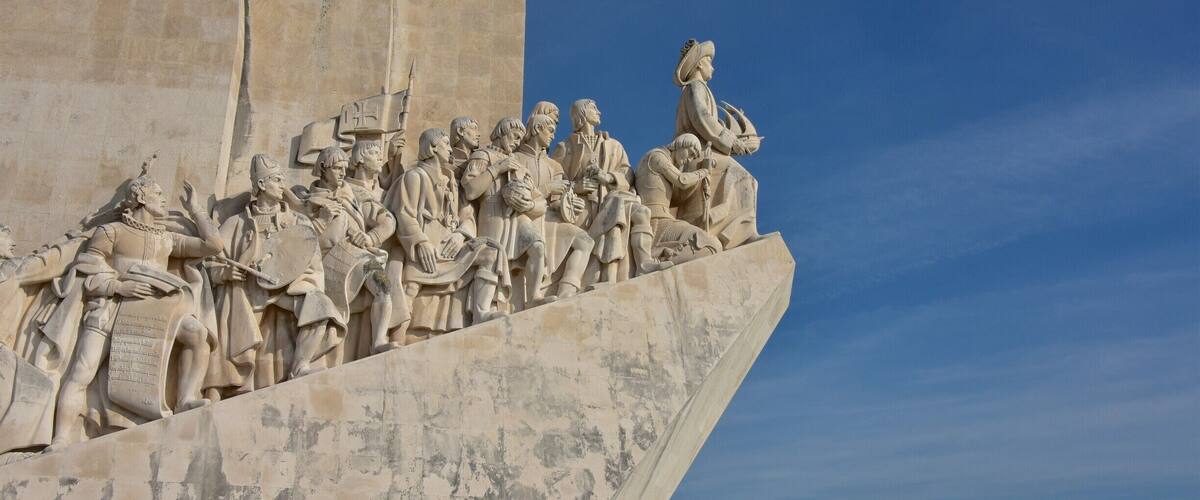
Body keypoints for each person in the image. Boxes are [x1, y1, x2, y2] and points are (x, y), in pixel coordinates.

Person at [50, 176, 222, 449]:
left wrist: (196, 210)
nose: (164, 199)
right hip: (113, 307)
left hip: (154, 311)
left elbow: (214, 245)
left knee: (198, 335)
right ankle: (60, 438)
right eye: (158, 193)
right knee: (83, 370)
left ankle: (186, 398)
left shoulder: (166, 239)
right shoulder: (111, 232)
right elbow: (86, 270)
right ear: (141, 198)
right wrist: (118, 286)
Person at [205, 155, 343, 398]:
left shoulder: (295, 220)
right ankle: (217, 388)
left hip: (285, 288)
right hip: (249, 289)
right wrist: (224, 273)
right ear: (261, 185)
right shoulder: (236, 223)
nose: (283, 186)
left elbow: (310, 255)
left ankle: (300, 365)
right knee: (231, 316)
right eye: (277, 180)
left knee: (320, 306)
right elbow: (210, 260)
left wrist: (299, 280)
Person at [391, 129, 508, 343]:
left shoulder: (451, 181)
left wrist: (461, 234)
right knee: (410, 286)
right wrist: (420, 241)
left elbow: (467, 215)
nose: (450, 149)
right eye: (446, 144)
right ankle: (394, 339)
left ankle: (481, 312)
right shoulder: (415, 176)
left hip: (450, 245)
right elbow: (404, 214)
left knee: (491, 253)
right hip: (426, 245)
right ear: (433, 147)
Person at [551, 99, 671, 284]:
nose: (599, 112)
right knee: (618, 211)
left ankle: (644, 262)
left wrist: (608, 177)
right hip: (583, 210)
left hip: (612, 199)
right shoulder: (565, 147)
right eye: (593, 108)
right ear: (581, 114)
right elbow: (554, 181)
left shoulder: (613, 145)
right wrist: (576, 187)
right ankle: (606, 277)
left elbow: (627, 173)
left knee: (640, 211)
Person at [674, 39, 762, 248]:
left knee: (746, 180)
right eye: (709, 62)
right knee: (744, 178)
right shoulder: (695, 87)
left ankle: (737, 231)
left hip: (708, 152)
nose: (712, 67)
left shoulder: (698, 89)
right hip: (699, 156)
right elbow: (702, 119)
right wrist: (731, 142)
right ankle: (740, 235)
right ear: (699, 65)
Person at [460, 118, 552, 310]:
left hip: (518, 217)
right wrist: (497, 169)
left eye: (520, 138)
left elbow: (541, 201)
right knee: (493, 258)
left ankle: (534, 296)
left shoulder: (519, 165)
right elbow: (470, 190)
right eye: (515, 136)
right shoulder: (482, 156)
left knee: (537, 246)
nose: (518, 142)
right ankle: (483, 309)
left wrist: (529, 204)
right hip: (493, 212)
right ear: (501, 133)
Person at [512, 113, 593, 298]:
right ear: (537, 129)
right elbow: (516, 195)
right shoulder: (516, 159)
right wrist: (547, 188)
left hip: (548, 220)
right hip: (523, 220)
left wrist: (571, 204)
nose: (553, 136)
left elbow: (557, 201)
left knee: (585, 241)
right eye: (550, 130)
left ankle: (567, 291)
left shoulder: (554, 166)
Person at [635, 134, 723, 264]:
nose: (689, 160)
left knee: (713, 245)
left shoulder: (664, 161)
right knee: (709, 244)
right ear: (682, 144)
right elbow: (682, 180)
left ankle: (662, 258)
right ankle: (660, 262)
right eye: (691, 153)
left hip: (662, 220)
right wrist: (704, 171)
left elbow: (677, 196)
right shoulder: (657, 157)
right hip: (656, 221)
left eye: (693, 157)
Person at [448, 116, 481, 181]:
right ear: (460, 131)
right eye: (474, 129)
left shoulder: (480, 158)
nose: (479, 134)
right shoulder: (446, 160)